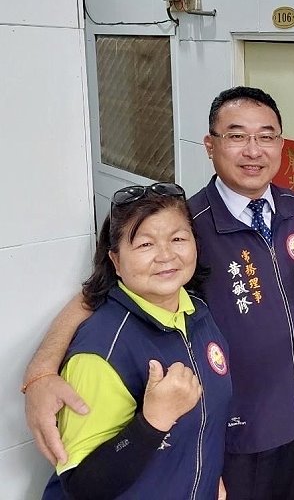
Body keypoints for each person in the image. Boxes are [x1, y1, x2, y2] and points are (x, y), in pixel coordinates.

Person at [23, 87, 294, 500]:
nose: (253, 150)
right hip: (233, 426)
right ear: (210, 145)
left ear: (280, 142)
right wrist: (41, 371)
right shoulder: (187, 225)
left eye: (266, 136)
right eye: (236, 136)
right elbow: (98, 294)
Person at [41, 183, 231, 499]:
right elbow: (83, 487)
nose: (166, 255)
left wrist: (209, 478)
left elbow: (202, 427)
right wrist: (152, 423)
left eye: (178, 239)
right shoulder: (102, 351)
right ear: (115, 261)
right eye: (145, 244)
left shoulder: (197, 311)